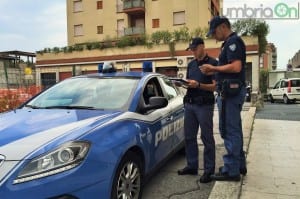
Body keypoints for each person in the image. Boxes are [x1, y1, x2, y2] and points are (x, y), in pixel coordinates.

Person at [200, 16, 247, 181]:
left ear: (222, 27)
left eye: (214, 32)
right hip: (230, 93)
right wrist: (214, 71)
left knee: (229, 130)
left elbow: (236, 67)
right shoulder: (229, 43)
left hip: (230, 95)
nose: (213, 36)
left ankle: (231, 170)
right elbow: (228, 68)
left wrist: (213, 67)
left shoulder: (233, 42)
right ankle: (239, 165)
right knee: (235, 129)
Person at [177, 37, 218, 183]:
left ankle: (208, 171)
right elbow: (190, 83)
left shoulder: (213, 63)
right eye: (191, 49)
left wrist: (198, 85)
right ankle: (192, 165)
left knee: (206, 138)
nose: (193, 52)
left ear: (202, 46)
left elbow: (215, 86)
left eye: (195, 49)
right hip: (190, 104)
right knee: (189, 137)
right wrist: (185, 84)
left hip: (204, 106)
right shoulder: (191, 64)